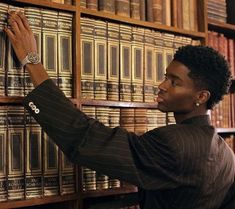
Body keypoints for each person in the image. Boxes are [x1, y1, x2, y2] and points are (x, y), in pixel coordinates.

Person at [4, 11, 235, 209]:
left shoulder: (173, 145)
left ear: (201, 96)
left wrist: (32, 62)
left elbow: (85, 138)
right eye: (165, 77)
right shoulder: (226, 154)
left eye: (174, 82)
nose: (162, 86)